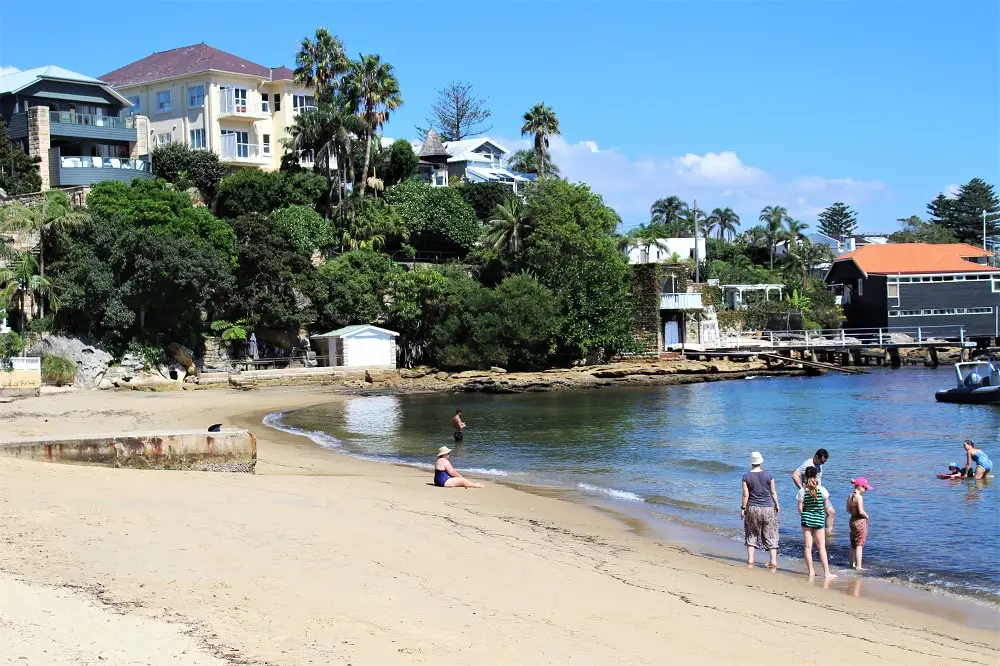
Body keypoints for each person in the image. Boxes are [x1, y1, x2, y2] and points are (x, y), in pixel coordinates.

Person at [741, 451, 780, 568]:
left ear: (751, 462)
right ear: (761, 462)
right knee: (771, 533)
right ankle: (773, 560)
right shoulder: (769, 475)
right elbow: (773, 492)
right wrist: (777, 504)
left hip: (753, 508)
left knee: (752, 532)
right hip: (768, 507)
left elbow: (745, 495)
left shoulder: (746, 476)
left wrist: (743, 508)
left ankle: (751, 559)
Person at [796, 466, 837, 579]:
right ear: (816, 476)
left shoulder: (802, 491)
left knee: (808, 547)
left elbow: (800, 509)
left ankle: (811, 572)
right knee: (821, 547)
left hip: (806, 519)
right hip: (819, 520)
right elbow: (826, 506)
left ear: (806, 476)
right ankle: (827, 573)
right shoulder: (822, 490)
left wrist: (805, 515)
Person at [792, 448, 834, 530]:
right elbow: (795, 475)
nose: (823, 463)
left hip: (819, 492)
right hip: (810, 494)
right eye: (822, 461)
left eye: (824, 462)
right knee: (816, 515)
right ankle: (816, 532)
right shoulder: (807, 464)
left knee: (831, 512)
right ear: (816, 457)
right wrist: (802, 489)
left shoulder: (819, 464)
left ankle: (828, 533)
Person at [846, 477, 873, 571]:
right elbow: (861, 511)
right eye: (865, 488)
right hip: (860, 522)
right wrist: (867, 516)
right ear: (861, 487)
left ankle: (851, 564)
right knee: (859, 545)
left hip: (852, 521)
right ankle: (859, 566)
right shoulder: (859, 497)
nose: (866, 490)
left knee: (853, 544)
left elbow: (848, 510)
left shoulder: (850, 496)